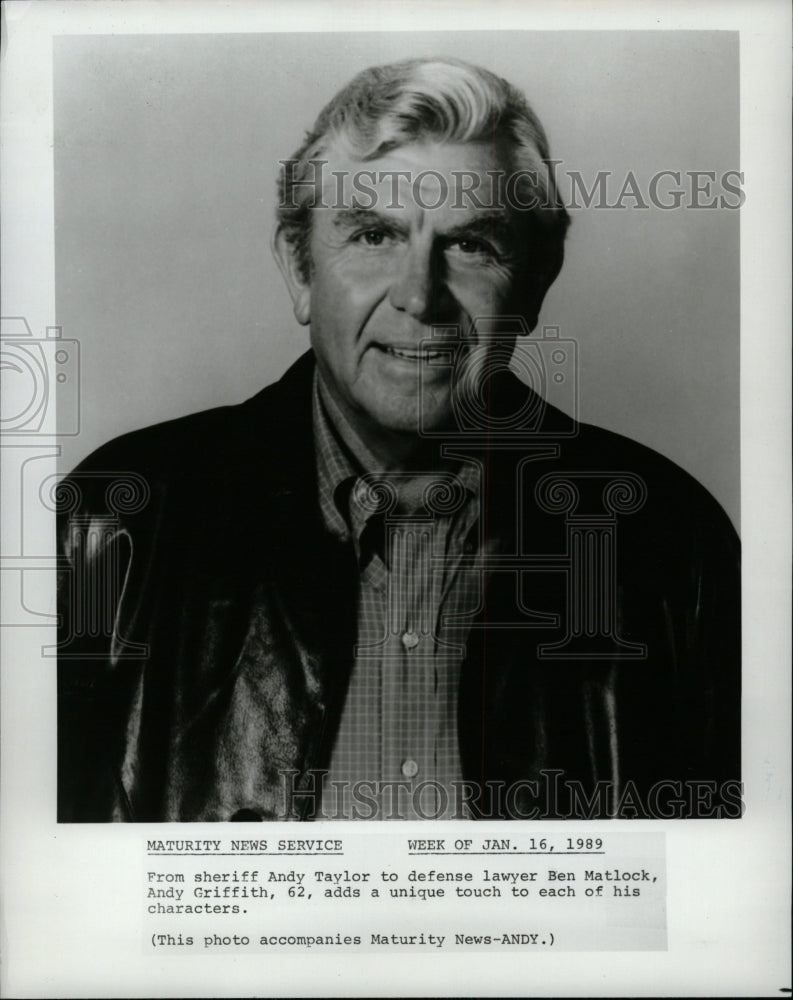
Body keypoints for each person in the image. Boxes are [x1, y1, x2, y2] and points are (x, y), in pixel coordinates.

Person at [57, 57, 740, 822]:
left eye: (471, 245)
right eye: (374, 235)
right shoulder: (113, 519)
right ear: (298, 267)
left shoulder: (672, 543)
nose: (420, 298)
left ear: (539, 276)